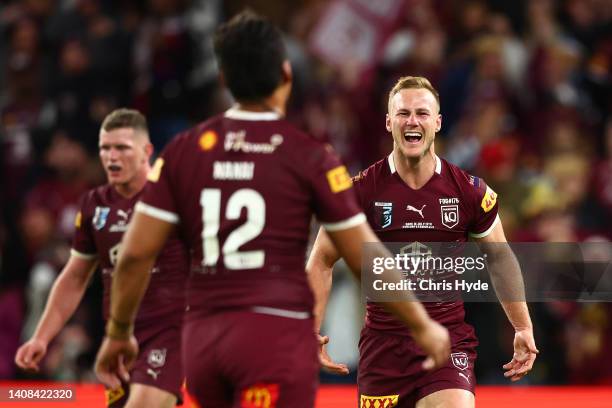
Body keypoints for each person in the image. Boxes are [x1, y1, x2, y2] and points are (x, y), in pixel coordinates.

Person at [93, 11, 450, 408]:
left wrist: (119, 330)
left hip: (203, 336)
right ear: (285, 74)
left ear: (225, 79)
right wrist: (422, 325)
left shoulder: (181, 152)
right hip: (274, 336)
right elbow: (365, 257)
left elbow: (135, 255)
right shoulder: (309, 156)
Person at [306, 76, 539, 408]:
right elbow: (321, 260)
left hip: (447, 341)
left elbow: (499, 258)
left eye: (422, 113)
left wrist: (522, 327)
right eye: (403, 113)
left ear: (438, 122)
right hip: (383, 349)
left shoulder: (468, 190)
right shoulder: (359, 192)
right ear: (388, 122)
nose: (412, 121)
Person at [15, 109, 188, 408]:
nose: (111, 157)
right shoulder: (95, 205)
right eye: (105, 148)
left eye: (122, 148)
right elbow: (76, 275)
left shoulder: (173, 197)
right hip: (118, 344)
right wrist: (41, 337)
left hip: (171, 335)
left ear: (147, 151)